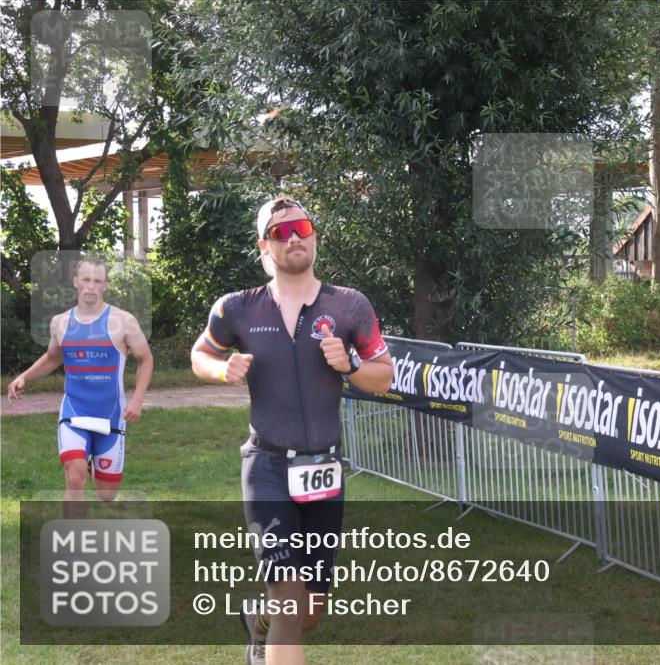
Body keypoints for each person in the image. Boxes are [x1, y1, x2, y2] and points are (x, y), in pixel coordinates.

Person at [190, 196, 392, 665]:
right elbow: (200, 355)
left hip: (324, 469)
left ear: (315, 236)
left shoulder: (349, 305)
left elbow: (384, 376)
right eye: (280, 232)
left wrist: (352, 365)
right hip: (267, 465)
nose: (293, 237)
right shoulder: (238, 309)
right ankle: (271, 623)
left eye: (301, 227)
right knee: (286, 592)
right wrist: (223, 370)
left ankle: (255, 626)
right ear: (265, 247)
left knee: (309, 610)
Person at [6, 257, 154, 515]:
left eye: (98, 281)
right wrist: (24, 377)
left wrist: (137, 400)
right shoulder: (60, 323)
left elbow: (146, 359)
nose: (91, 287)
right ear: (75, 282)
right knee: (75, 477)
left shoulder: (123, 321)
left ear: (106, 285)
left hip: (111, 416)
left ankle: (92, 461)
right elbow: (53, 357)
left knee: (107, 494)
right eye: (86, 280)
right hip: (74, 411)